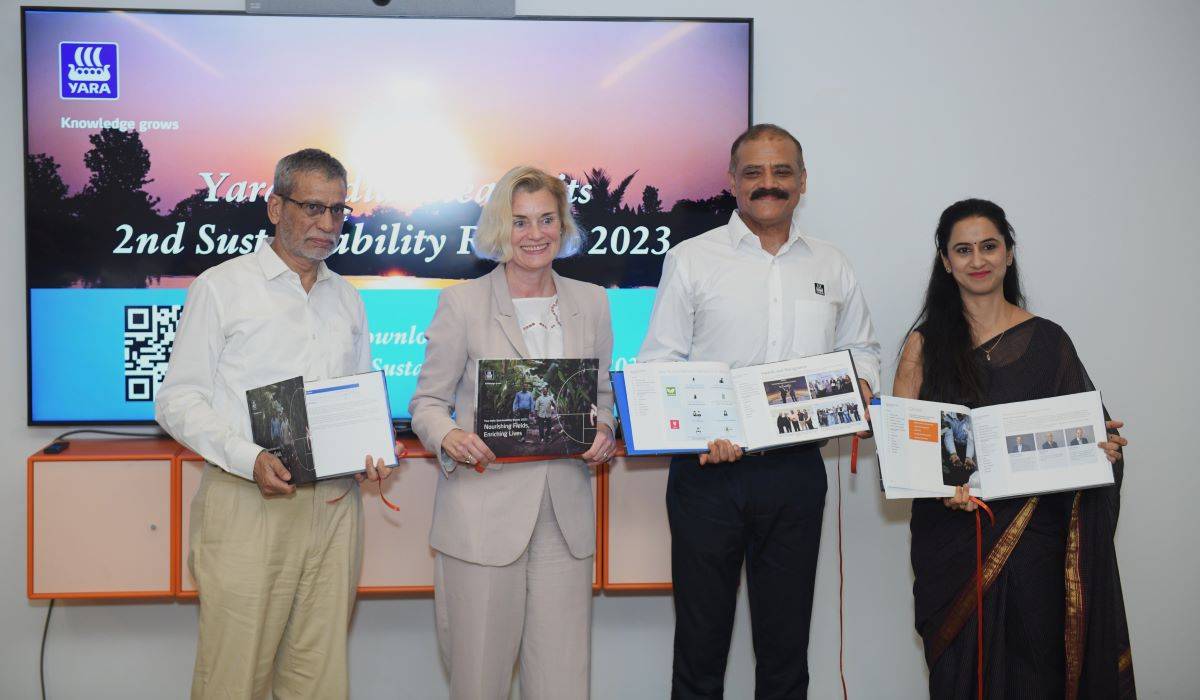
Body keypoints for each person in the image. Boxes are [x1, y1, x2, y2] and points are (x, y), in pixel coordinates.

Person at [639, 123, 881, 698]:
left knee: (785, 651)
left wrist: (861, 388)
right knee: (700, 651)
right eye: (753, 172)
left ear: (802, 182)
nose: (767, 184)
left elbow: (863, 351)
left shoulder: (832, 263)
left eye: (780, 171)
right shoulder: (691, 260)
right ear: (732, 182)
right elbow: (659, 365)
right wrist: (700, 434)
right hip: (707, 476)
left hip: (796, 474)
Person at [155, 148, 394, 699]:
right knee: (233, 678)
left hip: (334, 508)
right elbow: (177, 400)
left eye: (337, 211)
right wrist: (248, 457)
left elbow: (358, 394)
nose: (326, 225)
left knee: (319, 678)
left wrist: (370, 451)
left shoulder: (347, 299)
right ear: (274, 207)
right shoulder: (221, 287)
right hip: (248, 500)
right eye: (312, 208)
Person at [892, 198, 1134, 698]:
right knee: (959, 673)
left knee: (1035, 671)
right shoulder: (923, 344)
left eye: (988, 246)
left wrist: (1102, 448)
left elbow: (1086, 431)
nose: (977, 260)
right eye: (963, 249)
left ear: (1008, 253)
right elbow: (903, 445)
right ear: (945, 260)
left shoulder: (1048, 341)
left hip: (1035, 546)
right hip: (952, 542)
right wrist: (940, 489)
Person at [409, 165, 617, 700]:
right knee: (479, 681)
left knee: (562, 684)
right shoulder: (463, 303)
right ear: (501, 229)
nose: (535, 234)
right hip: (483, 516)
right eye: (520, 222)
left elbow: (600, 401)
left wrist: (604, 431)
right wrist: (450, 436)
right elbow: (428, 403)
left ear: (563, 224)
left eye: (547, 219)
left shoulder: (592, 301)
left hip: (564, 519)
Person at [941, 412, 976, 486]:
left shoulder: (969, 418)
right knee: (952, 468)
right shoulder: (948, 417)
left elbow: (971, 438)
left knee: (967, 470)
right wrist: (953, 453)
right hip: (953, 445)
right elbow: (948, 436)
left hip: (966, 447)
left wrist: (969, 457)